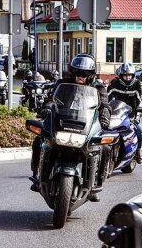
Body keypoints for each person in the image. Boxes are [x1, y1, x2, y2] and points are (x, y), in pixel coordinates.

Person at [29, 53, 111, 201]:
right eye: (77, 72)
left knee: (105, 148)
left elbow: (104, 105)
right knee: (39, 140)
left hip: (85, 126)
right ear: (72, 72)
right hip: (63, 122)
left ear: (91, 74)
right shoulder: (62, 84)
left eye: (85, 73)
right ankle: (37, 174)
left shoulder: (98, 88)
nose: (81, 76)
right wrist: (46, 108)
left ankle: (96, 184)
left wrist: (104, 118)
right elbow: (50, 100)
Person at [107, 63, 142, 163]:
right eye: (125, 75)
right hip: (118, 111)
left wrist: (136, 119)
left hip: (134, 112)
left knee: (139, 130)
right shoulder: (115, 83)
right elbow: (106, 99)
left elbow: (141, 103)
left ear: (133, 75)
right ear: (120, 76)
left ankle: (138, 150)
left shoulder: (138, 84)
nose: (127, 78)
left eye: (129, 75)